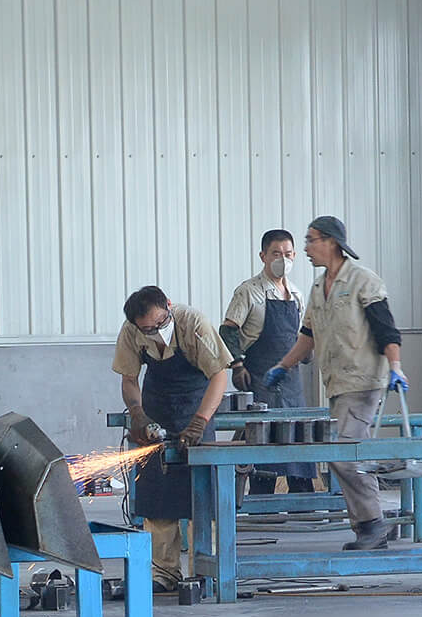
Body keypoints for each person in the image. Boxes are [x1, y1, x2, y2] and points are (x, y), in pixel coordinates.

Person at [263, 217, 407, 552]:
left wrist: (396, 367)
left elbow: (387, 331)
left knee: (344, 454)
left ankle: (373, 525)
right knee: (348, 453)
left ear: (331, 242)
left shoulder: (363, 281)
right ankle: (371, 525)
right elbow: (308, 336)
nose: (307, 248)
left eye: (310, 240)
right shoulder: (317, 288)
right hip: (337, 383)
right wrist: (283, 366)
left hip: (363, 380)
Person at [113, 286, 232, 590]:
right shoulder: (131, 331)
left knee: (200, 495)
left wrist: (200, 421)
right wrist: (138, 413)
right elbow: (129, 379)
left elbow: (219, 374)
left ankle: (206, 573)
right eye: (146, 329)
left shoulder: (193, 323)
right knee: (158, 495)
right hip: (157, 407)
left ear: (168, 306)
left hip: (196, 405)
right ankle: (163, 574)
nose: (153, 332)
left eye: (158, 325)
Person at [220, 228, 316, 497]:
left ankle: (303, 504)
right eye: (276, 253)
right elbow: (228, 329)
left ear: (294, 255)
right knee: (264, 445)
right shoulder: (249, 292)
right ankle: (261, 503)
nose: (282, 259)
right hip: (261, 378)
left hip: (292, 382)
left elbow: (302, 333)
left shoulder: (296, 294)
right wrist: (237, 365)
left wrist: (307, 350)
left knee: (298, 441)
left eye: (287, 254)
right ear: (263, 256)